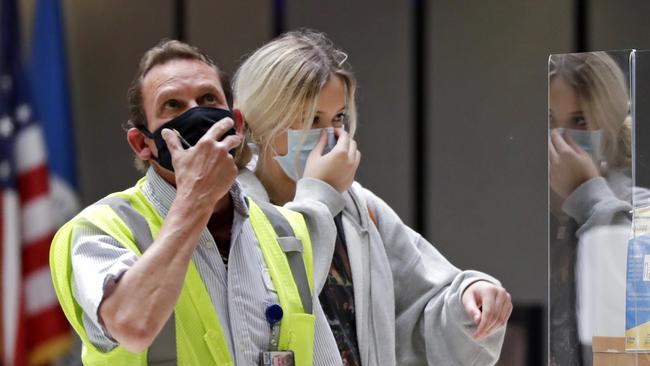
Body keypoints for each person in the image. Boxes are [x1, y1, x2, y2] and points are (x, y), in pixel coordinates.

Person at [49, 40, 361, 365]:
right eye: (173, 104)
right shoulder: (98, 229)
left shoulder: (284, 230)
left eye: (208, 98)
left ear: (236, 124)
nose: (197, 114)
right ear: (143, 143)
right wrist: (194, 198)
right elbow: (132, 325)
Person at [233, 29, 512, 365]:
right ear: (261, 121)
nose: (331, 135)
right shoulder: (233, 210)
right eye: (309, 119)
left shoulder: (356, 206)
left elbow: (426, 295)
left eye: (338, 118)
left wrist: (471, 294)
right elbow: (281, 294)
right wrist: (320, 195)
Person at [548, 51, 650, 365]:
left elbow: (633, 345)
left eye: (579, 121)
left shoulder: (642, 209)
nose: (560, 139)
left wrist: (588, 198)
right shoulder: (521, 210)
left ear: (607, 130)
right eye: (549, 120)